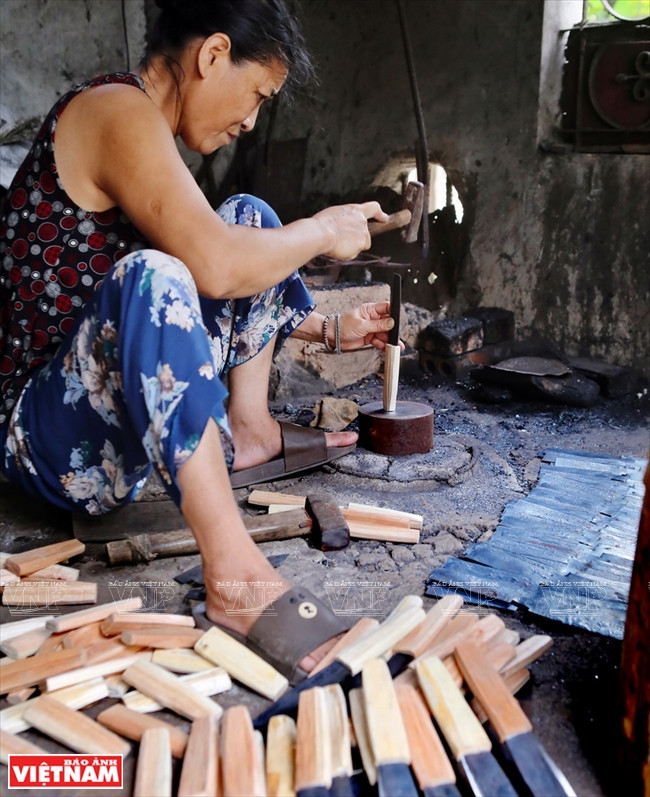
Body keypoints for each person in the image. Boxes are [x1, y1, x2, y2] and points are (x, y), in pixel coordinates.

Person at [0, 0, 397, 680]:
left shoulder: (143, 130)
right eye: (256, 96)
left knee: (250, 217)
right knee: (163, 270)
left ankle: (249, 430)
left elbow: (209, 273)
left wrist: (324, 326)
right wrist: (324, 232)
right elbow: (205, 269)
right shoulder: (113, 112)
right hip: (44, 436)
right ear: (212, 56)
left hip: (106, 396)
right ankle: (234, 574)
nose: (250, 120)